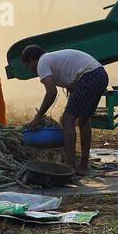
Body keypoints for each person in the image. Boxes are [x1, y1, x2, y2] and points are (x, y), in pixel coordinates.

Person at [21, 45, 109, 176]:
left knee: (67, 120)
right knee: (84, 120)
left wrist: (38, 117)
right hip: (100, 75)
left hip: (89, 76)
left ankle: (70, 167)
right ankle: (83, 166)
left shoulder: (42, 62)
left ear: (32, 59)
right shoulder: (52, 59)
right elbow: (73, 84)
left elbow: (51, 92)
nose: (30, 69)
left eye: (28, 65)